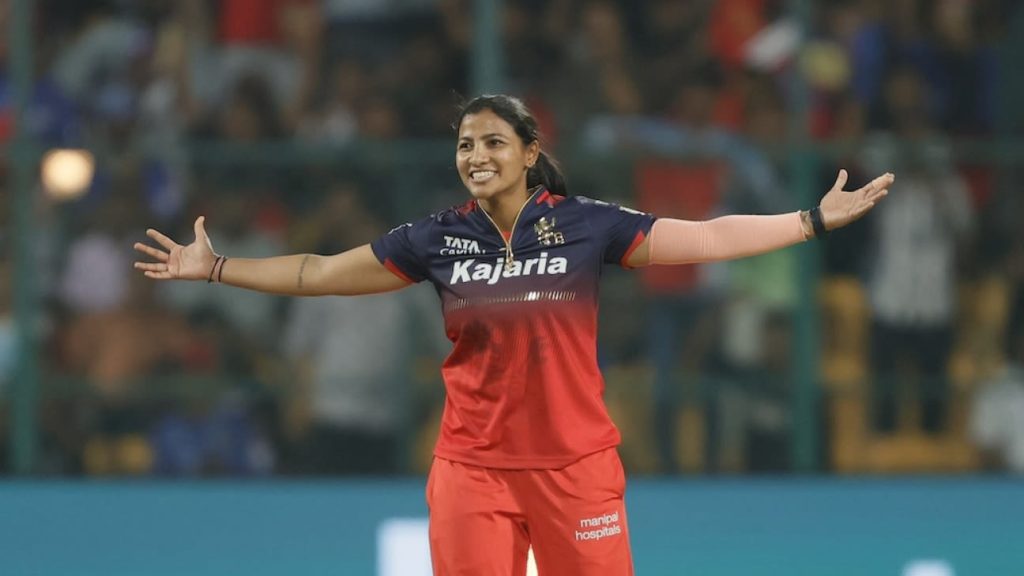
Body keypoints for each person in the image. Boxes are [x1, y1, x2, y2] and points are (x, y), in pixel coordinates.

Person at [134, 94, 892, 575]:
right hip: (473, 471)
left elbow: (704, 237)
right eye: (466, 145)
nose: (477, 157)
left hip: (576, 468)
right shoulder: (435, 238)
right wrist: (217, 267)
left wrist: (811, 220)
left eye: (494, 142)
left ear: (530, 152)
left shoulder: (588, 225)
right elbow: (318, 273)